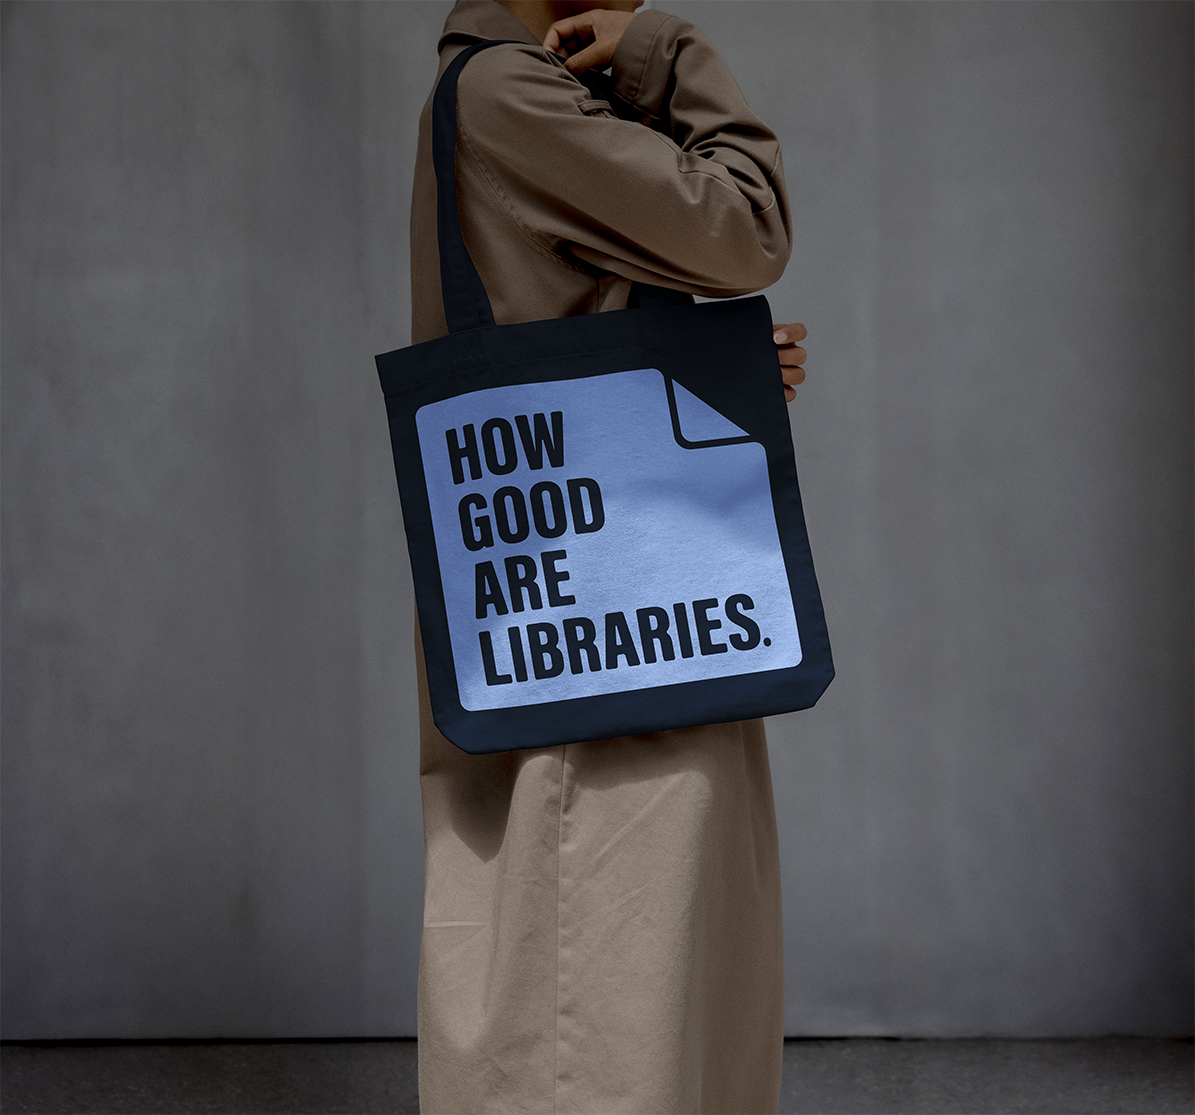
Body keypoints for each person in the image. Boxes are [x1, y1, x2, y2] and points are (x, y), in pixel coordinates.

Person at [408, 1, 807, 1111]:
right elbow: (745, 226)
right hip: (612, 633)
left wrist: (704, 369)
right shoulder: (510, 91)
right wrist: (667, 50)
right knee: (601, 975)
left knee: (607, 961)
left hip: (606, 603)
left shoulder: (507, 93)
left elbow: (565, 305)